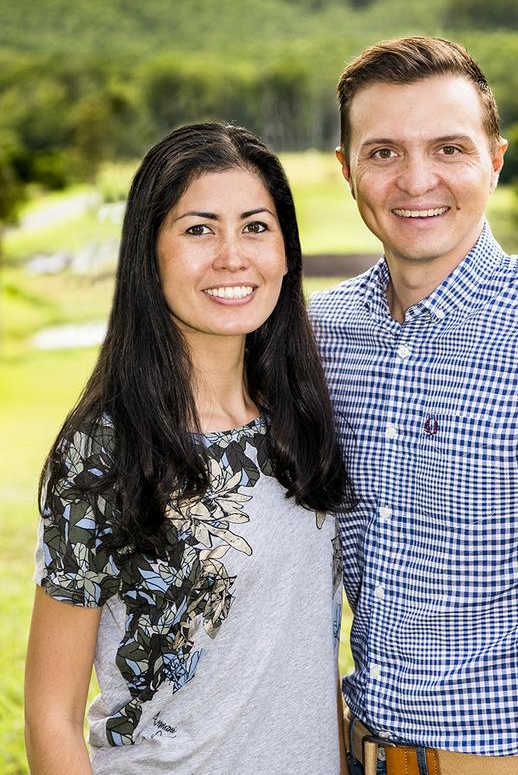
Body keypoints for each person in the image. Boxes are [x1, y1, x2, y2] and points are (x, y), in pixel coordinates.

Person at [309, 36, 518, 775]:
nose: (417, 179)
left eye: (450, 148)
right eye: (384, 152)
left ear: (495, 159)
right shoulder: (322, 334)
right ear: (347, 169)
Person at [25, 122, 347, 775]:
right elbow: (49, 713)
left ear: (286, 252)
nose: (233, 254)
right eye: (199, 229)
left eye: (255, 226)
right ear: (150, 252)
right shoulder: (106, 446)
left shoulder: (302, 418)